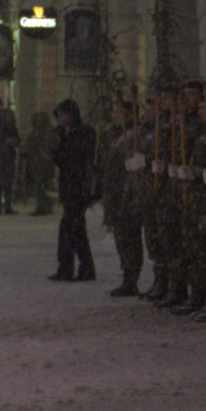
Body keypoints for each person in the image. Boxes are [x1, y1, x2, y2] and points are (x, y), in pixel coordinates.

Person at [104, 97, 150, 295]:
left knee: (128, 238)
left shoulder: (134, 135)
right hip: (116, 191)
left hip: (128, 192)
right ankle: (127, 275)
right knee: (121, 238)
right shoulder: (117, 135)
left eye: (120, 113)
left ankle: (131, 277)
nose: (115, 116)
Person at [50, 100, 99, 280]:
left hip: (80, 187)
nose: (61, 119)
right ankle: (79, 267)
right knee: (74, 229)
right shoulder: (61, 134)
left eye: (63, 115)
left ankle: (71, 267)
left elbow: (80, 157)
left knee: (71, 227)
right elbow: (60, 159)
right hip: (68, 186)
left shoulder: (84, 133)